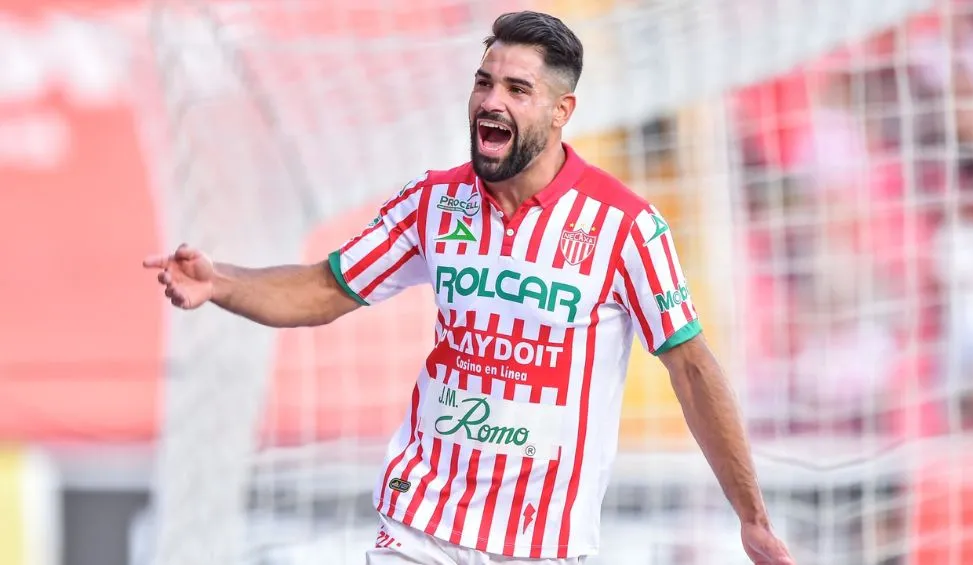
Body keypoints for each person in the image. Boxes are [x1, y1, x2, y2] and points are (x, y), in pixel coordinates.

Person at [143, 11, 795, 565]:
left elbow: (691, 366)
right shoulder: (432, 202)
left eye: (517, 88)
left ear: (562, 111)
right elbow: (324, 287)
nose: (491, 100)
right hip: (420, 528)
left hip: (542, 543)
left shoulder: (624, 227)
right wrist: (220, 281)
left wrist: (752, 515)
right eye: (484, 82)